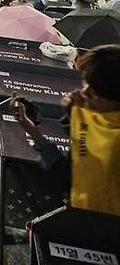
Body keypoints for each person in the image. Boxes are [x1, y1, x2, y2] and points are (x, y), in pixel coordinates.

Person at [12, 45, 120, 217]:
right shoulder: (87, 115)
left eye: (94, 92)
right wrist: (33, 130)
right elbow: (67, 175)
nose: (83, 93)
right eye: (86, 84)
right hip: (80, 221)